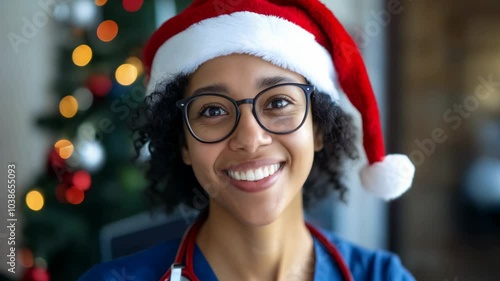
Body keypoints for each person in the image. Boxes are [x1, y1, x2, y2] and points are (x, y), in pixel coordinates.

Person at [78, 0, 416, 280]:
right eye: (212, 110)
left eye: (278, 102)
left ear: (318, 129)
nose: (250, 139)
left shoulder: (383, 275)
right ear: (182, 143)